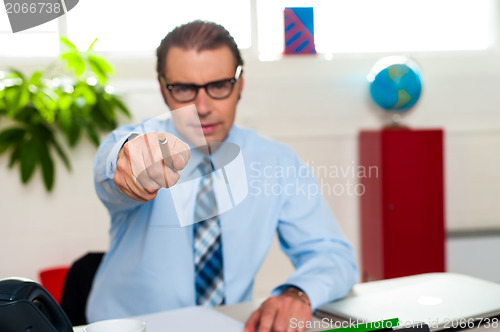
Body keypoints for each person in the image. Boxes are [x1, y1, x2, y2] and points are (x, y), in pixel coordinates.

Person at [87, 20, 359, 332]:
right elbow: (111, 170)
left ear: (240, 85)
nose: (202, 107)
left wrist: (299, 292)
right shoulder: (139, 147)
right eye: (185, 89)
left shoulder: (276, 162)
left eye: (218, 86)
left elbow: (333, 255)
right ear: (164, 89)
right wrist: (127, 159)